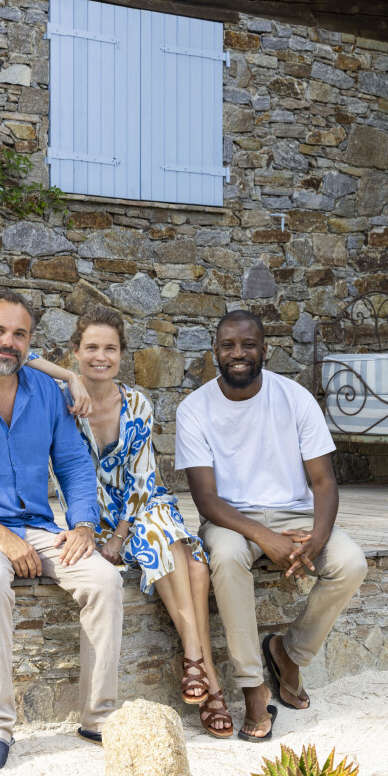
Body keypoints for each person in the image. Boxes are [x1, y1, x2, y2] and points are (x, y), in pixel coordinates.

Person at [0, 289, 124, 769]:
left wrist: (84, 525)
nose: (7, 342)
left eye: (19, 334)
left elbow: (74, 465)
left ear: (30, 343)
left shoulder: (47, 396)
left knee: (104, 579)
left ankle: (98, 718)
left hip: (34, 525)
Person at [28, 306, 233, 738]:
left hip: (141, 505)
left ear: (121, 354)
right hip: (92, 518)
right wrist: (67, 378)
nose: (100, 357)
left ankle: (194, 661)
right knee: (193, 566)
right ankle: (210, 685)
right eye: (91, 348)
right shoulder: (59, 398)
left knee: (160, 528)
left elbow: (143, 482)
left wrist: (120, 537)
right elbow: (21, 354)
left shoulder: (137, 403)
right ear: (76, 352)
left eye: (110, 348)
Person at [175, 309, 367, 742]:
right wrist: (265, 538)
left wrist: (316, 539)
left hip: (294, 514)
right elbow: (205, 498)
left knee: (351, 562)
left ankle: (289, 652)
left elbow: (323, 481)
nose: (237, 353)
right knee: (223, 555)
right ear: (215, 352)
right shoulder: (194, 408)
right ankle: (253, 686)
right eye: (228, 345)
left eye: (247, 344)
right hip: (231, 517)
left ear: (265, 349)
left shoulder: (294, 397)